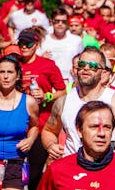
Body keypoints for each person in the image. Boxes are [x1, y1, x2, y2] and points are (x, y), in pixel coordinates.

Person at [41, 46, 115, 159]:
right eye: (82, 65)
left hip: (106, 169)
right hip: (73, 170)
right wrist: (51, 145)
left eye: (93, 66)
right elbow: (49, 131)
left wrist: (112, 144)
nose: (86, 69)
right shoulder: (63, 101)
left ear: (103, 72)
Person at [38, 101, 115, 190]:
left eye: (107, 127)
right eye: (94, 127)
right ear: (79, 130)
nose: (101, 133)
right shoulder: (57, 170)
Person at [0, 56, 39, 190]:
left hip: (15, 161)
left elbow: (35, 127)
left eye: (10, 72)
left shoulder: (29, 102)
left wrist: (30, 140)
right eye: (1, 72)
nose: (5, 76)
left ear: (17, 76)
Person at [17, 28, 67, 190]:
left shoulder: (47, 65)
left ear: (36, 44)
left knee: (35, 173)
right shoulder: (13, 64)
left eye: (28, 43)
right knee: (14, 171)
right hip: (16, 125)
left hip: (40, 125)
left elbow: (62, 91)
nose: (24, 47)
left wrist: (47, 96)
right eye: (21, 43)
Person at [37, 8, 84, 83]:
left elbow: (82, 61)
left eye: (64, 21)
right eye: (57, 21)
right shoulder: (43, 40)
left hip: (71, 82)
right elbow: (35, 62)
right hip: (49, 81)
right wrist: (41, 58)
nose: (60, 24)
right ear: (51, 22)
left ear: (68, 22)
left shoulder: (76, 40)